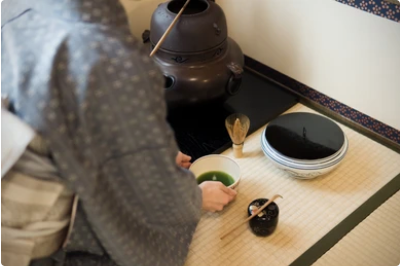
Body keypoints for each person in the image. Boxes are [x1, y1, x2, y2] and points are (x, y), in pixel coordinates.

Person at [1, 0, 237, 265]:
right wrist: (196, 199)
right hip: (36, 237)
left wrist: (148, 153)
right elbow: (149, 199)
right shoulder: (101, 56)